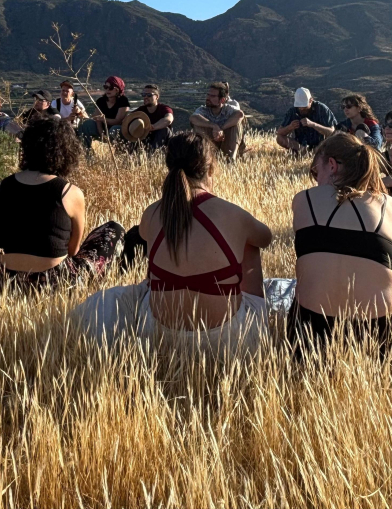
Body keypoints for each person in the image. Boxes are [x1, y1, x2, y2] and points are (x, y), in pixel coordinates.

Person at [73, 131, 272, 355]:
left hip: (158, 333)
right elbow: (265, 237)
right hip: (226, 338)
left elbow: (145, 236)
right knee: (250, 245)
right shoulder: (232, 214)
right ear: (210, 169)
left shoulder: (152, 212)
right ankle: (259, 336)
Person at [289, 132, 392, 354]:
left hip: (310, 332)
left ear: (332, 165)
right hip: (377, 335)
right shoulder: (388, 205)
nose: (316, 180)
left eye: (316, 171)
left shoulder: (304, 199)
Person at [0, 117, 125, 290]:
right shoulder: (69, 192)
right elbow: (73, 250)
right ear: (66, 151)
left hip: (6, 281)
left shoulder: (2, 186)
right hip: (55, 281)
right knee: (114, 229)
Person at [190, 83, 245, 161]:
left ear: (222, 100)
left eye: (212, 96)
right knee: (198, 125)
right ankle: (203, 157)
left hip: (227, 143)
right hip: (210, 146)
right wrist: (213, 126)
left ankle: (231, 159)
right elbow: (193, 118)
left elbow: (240, 114)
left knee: (236, 125)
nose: (208, 98)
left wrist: (221, 129)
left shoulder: (228, 109)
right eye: (208, 95)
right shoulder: (203, 110)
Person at [276, 88, 336, 155]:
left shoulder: (322, 109)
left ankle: (315, 152)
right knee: (279, 138)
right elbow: (279, 133)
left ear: (311, 100)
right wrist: (290, 127)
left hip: (320, 145)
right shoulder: (292, 111)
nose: (301, 109)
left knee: (333, 140)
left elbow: (332, 132)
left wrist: (313, 124)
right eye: (299, 107)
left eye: (304, 107)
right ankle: (303, 151)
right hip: (300, 146)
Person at [78, 76, 129, 148]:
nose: (108, 90)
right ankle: (86, 151)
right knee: (86, 124)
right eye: (106, 87)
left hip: (116, 129)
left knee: (114, 129)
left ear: (117, 90)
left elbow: (117, 121)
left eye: (111, 88)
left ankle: (120, 151)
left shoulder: (123, 101)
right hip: (101, 129)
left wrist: (103, 119)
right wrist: (101, 134)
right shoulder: (101, 101)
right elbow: (97, 118)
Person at [121, 85, 174, 152]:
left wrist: (152, 127)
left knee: (164, 130)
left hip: (162, 141)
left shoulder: (164, 108)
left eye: (149, 95)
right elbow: (127, 120)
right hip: (146, 140)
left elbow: (168, 119)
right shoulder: (140, 111)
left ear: (157, 97)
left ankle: (152, 154)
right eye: (144, 95)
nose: (145, 97)